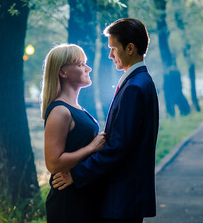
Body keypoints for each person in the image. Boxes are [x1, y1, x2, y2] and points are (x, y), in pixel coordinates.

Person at [52, 18, 159, 223]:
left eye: (113, 48)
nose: (110, 55)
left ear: (130, 48)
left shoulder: (135, 87)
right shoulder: (140, 82)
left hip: (121, 199)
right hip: (126, 196)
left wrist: (76, 175)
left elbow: (118, 147)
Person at [41, 44, 106, 223]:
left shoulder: (77, 108)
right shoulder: (60, 111)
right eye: (80, 64)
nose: (88, 68)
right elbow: (53, 163)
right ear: (63, 72)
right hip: (68, 202)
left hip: (82, 194)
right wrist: (92, 147)